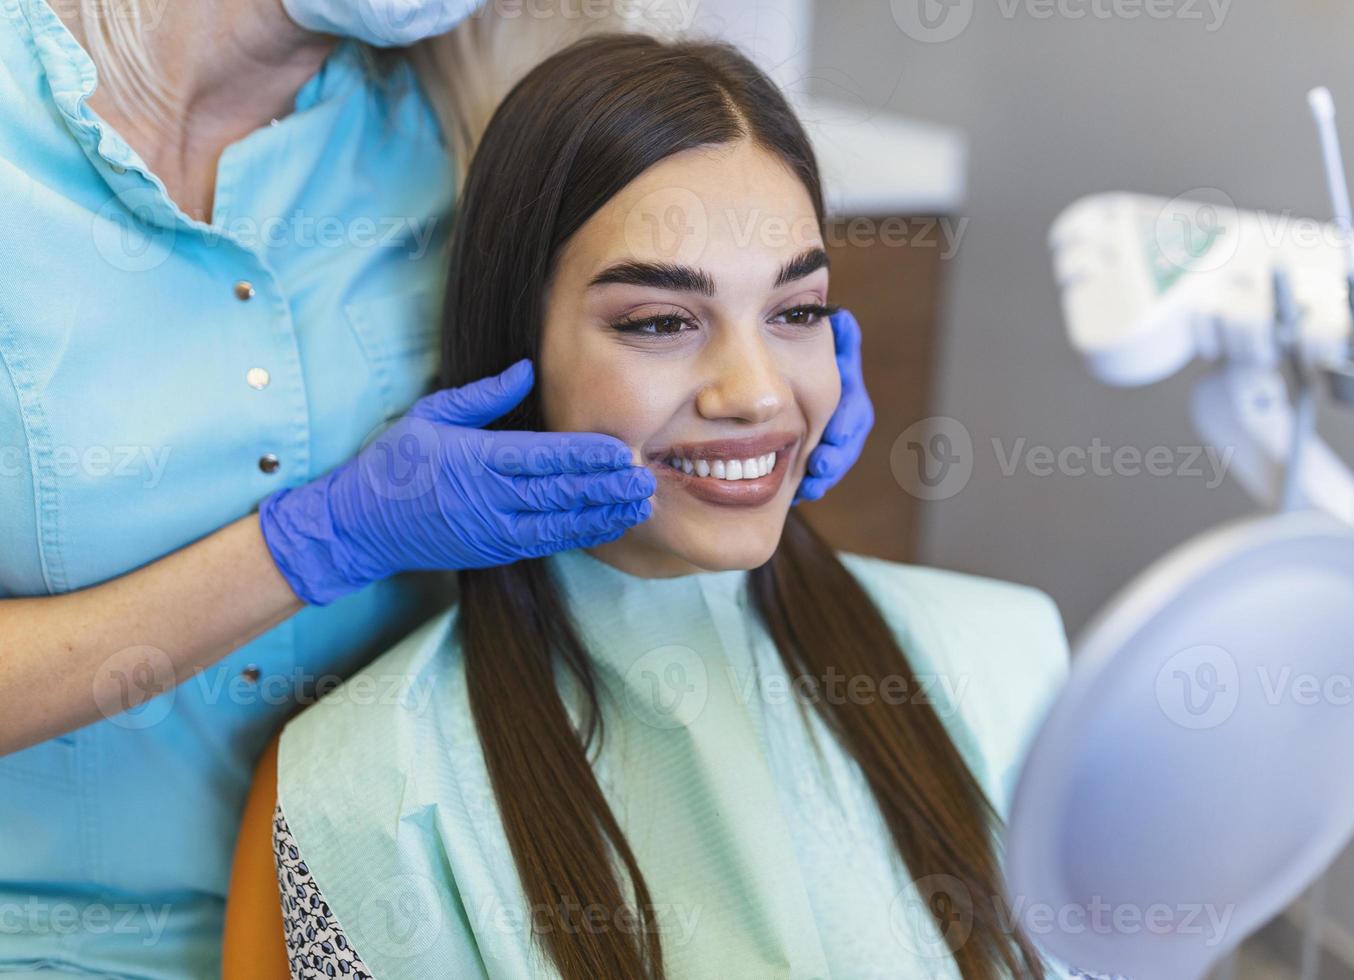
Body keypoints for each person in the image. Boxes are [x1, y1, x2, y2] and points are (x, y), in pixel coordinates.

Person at [0, 3, 872, 977]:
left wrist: (755, 396)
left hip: (407, 896)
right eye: (662, 320)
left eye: (802, 309)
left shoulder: (450, 108)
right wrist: (320, 541)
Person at [224, 34, 1074, 980]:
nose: (755, 392)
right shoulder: (368, 789)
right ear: (518, 350)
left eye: (796, 311)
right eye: (661, 322)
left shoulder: (1009, 668)